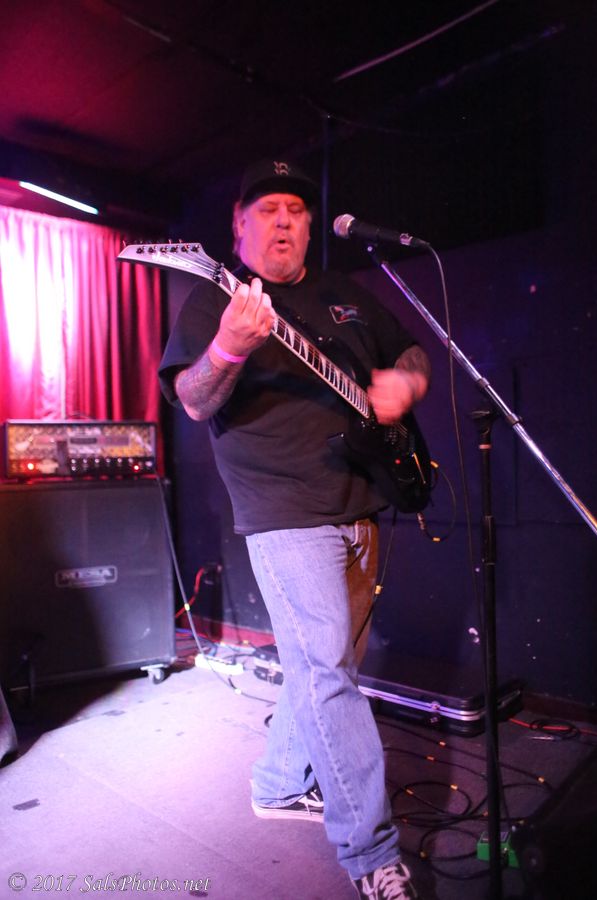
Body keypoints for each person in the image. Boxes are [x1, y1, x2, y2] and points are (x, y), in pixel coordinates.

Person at [158, 159, 431, 900]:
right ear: (238, 226)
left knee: (324, 668)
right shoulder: (216, 298)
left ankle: (280, 782)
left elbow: (410, 349)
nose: (283, 219)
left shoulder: (345, 295)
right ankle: (371, 855)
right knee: (330, 676)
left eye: (296, 209)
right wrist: (229, 346)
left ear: (310, 225)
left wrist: (404, 382)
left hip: (362, 503)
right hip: (282, 511)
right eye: (266, 208)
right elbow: (194, 399)